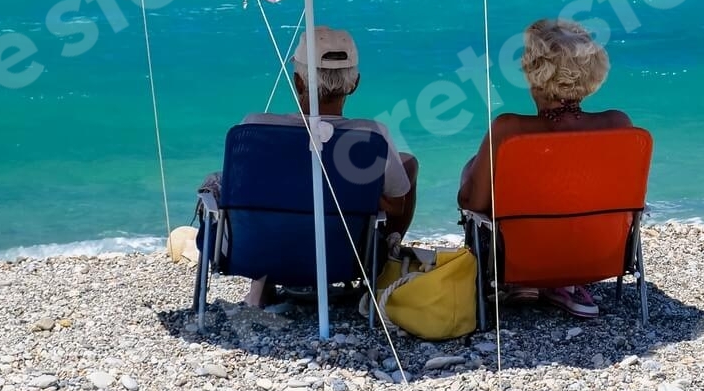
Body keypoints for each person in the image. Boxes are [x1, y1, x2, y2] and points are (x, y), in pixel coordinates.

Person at [458, 18, 632, 318]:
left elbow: (473, 203)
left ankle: (523, 283)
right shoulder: (618, 125)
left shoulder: (508, 130)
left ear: (533, 72)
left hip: (522, 260)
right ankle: (563, 284)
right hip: (598, 256)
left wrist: (470, 172)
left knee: (472, 170)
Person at [236, 27, 419, 309]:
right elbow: (397, 206)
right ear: (354, 83)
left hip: (264, 253)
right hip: (344, 259)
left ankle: (265, 282)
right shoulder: (370, 136)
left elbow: (242, 196)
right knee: (408, 165)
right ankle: (380, 267)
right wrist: (357, 191)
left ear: (298, 81)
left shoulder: (253, 128)